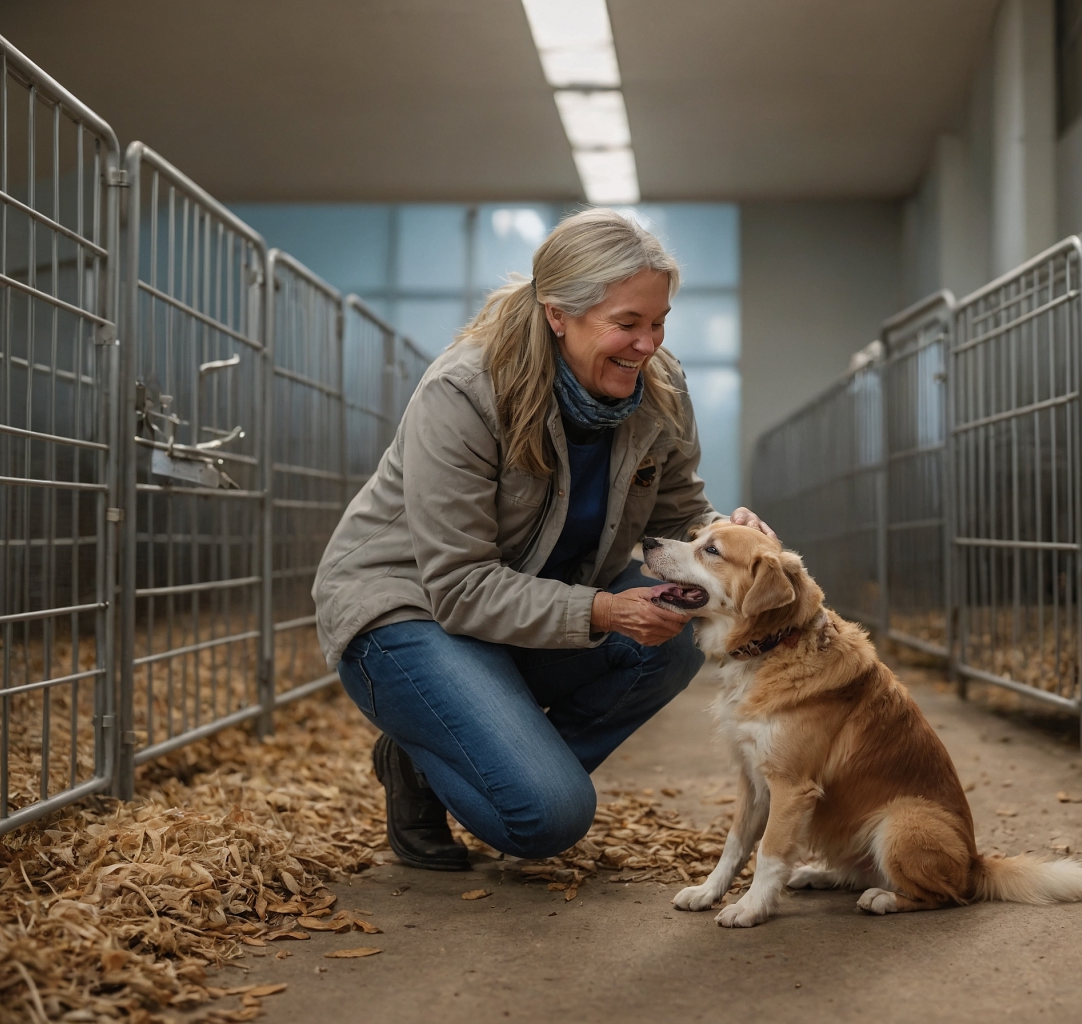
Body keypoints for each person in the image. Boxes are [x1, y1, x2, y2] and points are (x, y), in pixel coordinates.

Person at [313, 208, 773, 870]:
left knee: (672, 637)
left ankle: (466, 751)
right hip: (412, 612)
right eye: (627, 324)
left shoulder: (660, 387)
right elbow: (460, 586)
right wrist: (604, 610)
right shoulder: (465, 391)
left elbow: (678, 518)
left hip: (526, 603)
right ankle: (451, 757)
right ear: (558, 314)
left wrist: (727, 540)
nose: (648, 345)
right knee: (546, 820)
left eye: (658, 322)